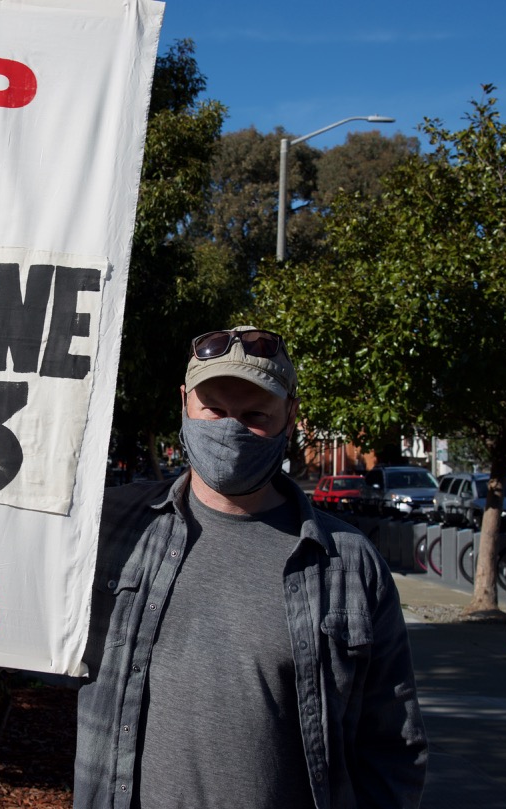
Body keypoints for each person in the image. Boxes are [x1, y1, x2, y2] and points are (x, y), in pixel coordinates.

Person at [75, 327, 427, 809]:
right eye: (214, 410)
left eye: (255, 415)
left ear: (291, 417)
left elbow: (393, 748)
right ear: (184, 403)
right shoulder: (112, 527)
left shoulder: (348, 563)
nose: (231, 430)